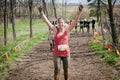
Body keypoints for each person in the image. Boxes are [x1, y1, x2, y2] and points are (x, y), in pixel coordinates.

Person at [38, 4, 83, 80]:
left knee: (66, 70)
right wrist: (42, 13)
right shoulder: (55, 30)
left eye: (61, 22)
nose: (60, 24)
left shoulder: (67, 30)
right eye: (59, 22)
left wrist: (79, 12)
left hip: (66, 53)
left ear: (64, 23)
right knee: (56, 70)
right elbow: (47, 22)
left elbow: (75, 21)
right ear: (57, 24)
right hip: (57, 54)